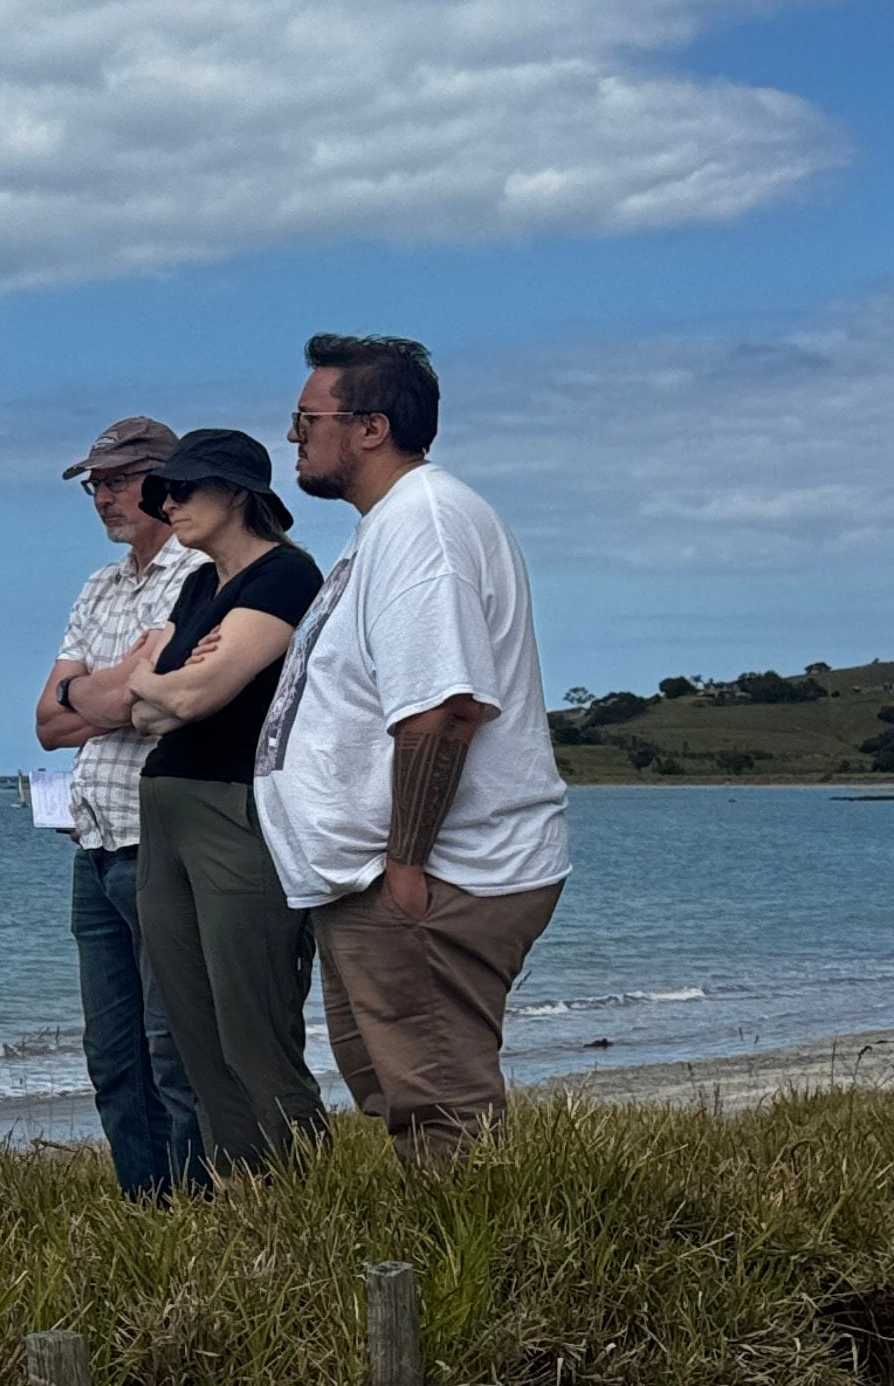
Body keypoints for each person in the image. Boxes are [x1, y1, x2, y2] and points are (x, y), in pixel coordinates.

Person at [256, 333, 571, 1165]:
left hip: (433, 874)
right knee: (408, 1100)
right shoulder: (390, 527)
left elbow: (443, 709)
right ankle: (438, 1270)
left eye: (306, 417)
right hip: (387, 873)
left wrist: (404, 864)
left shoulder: (424, 524)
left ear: (372, 427)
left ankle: (471, 1283)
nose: (293, 436)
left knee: (442, 1110)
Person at [88, 428, 327, 1170]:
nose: (172, 505)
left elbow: (187, 694)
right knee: (193, 1031)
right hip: (165, 807)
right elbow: (145, 708)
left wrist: (163, 683)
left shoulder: (284, 576)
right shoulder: (202, 585)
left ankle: (303, 1190)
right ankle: (244, 1195)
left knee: (252, 1021)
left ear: (236, 494)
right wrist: (162, 685)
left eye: (185, 490)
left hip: (235, 809)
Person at [36, 416, 207, 1195]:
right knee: (112, 1052)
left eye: (116, 480)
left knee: (173, 1046)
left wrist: (97, 693)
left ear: (165, 481)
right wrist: (112, 688)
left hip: (159, 837)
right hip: (94, 837)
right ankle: (147, 1208)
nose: (100, 497)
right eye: (93, 484)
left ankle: (198, 1208)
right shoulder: (99, 587)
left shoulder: (197, 572)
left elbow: (156, 701)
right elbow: (49, 723)